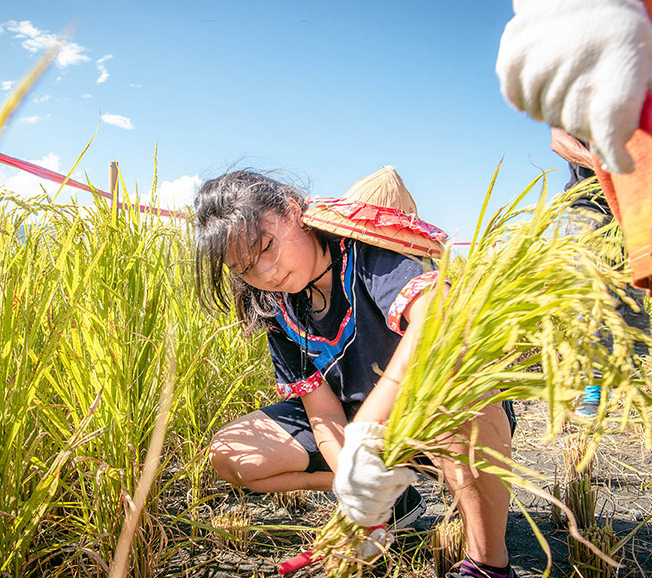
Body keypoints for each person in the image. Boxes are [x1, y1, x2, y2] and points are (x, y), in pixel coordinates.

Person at [496, 1, 652, 576]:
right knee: (597, 292)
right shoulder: (607, 45)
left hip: (651, 172)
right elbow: (559, 138)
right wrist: (599, 155)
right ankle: (595, 392)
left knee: (632, 310)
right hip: (605, 190)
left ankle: (628, 381)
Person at [195, 169, 517, 578]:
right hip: (362, 431)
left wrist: (367, 430)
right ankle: (389, 502)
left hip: (432, 421)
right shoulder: (274, 304)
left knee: (460, 389)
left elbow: (441, 320)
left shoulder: (367, 251)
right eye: (245, 269)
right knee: (232, 453)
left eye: (267, 248)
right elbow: (323, 412)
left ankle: (488, 563)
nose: (266, 273)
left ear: (293, 212)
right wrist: (354, 484)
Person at [552, 128, 652, 418]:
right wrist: (605, 166)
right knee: (590, 294)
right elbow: (559, 141)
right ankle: (592, 386)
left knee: (632, 291)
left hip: (635, 201)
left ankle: (631, 381)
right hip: (590, 203)